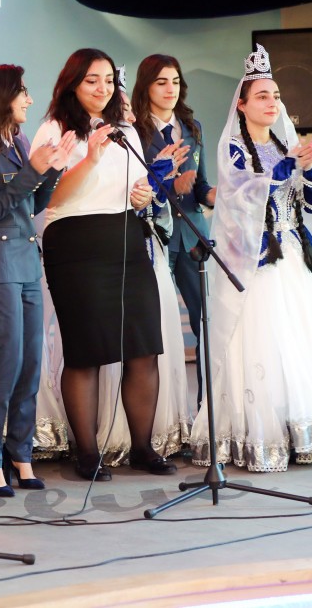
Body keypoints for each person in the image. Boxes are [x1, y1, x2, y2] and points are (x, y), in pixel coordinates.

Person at [190, 44, 312, 472]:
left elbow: (310, 202)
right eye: (263, 95)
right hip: (256, 260)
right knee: (265, 342)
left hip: (293, 254)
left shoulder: (288, 142)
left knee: (298, 339)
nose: (272, 102)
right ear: (242, 104)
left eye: (276, 96)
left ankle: (301, 431)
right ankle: (262, 438)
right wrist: (285, 166)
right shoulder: (234, 148)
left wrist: (311, 172)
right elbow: (241, 197)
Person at [30, 48, 174, 481]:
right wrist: (89, 157)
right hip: (75, 244)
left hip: (126, 239)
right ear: (73, 82)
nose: (103, 88)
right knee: (87, 352)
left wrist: (142, 194)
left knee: (144, 347)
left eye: (109, 80)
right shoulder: (54, 130)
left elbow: (132, 184)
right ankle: (87, 453)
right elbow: (48, 197)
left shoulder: (125, 128)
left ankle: (144, 448)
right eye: (93, 80)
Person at [0, 65, 73, 495]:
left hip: (26, 261)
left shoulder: (20, 141)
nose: (29, 100)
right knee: (7, 360)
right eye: (22, 92)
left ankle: (20, 452)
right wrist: (34, 168)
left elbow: (33, 203)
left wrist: (53, 169)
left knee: (31, 364)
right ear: (2, 97)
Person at [94, 65, 192, 464]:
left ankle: (154, 435)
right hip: (107, 244)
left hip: (150, 239)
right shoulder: (96, 138)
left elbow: (148, 189)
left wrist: (164, 183)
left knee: (155, 338)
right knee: (112, 342)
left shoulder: (140, 134)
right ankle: (110, 435)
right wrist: (160, 175)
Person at [131, 54, 215, 407]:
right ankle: (164, 411)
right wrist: (169, 185)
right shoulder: (134, 130)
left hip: (193, 233)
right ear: (146, 86)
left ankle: (207, 412)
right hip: (155, 234)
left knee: (206, 320)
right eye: (161, 82)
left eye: (175, 81)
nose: (169, 89)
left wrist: (229, 194)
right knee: (157, 322)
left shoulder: (192, 128)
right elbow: (133, 187)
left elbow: (201, 188)